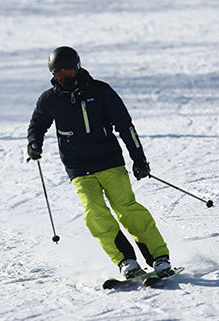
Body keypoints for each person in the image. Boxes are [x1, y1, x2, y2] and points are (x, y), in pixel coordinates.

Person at [27, 46, 172, 280]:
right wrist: (34, 143)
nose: (66, 79)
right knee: (94, 213)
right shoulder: (49, 100)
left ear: (78, 67)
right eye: (59, 75)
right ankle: (125, 260)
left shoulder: (101, 91)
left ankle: (159, 258)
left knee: (127, 209)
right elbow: (37, 124)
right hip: (78, 168)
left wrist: (139, 159)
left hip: (109, 162)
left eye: (69, 73)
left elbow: (126, 126)